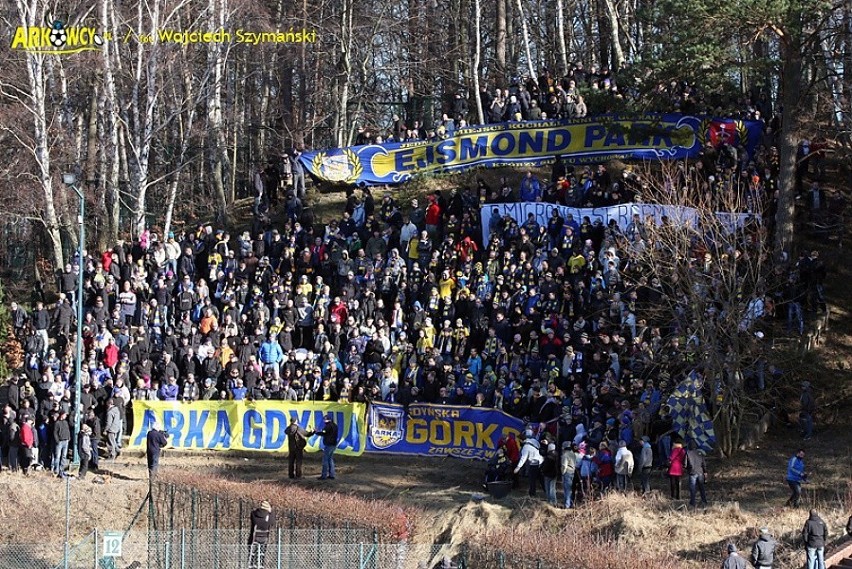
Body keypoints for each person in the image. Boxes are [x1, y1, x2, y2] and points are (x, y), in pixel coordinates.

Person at [513, 431, 543, 498]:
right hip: (540, 462)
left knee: (532, 480)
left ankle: (532, 494)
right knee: (542, 478)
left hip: (533, 464)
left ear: (522, 439)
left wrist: (518, 467)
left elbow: (523, 458)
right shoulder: (535, 441)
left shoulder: (525, 447)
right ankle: (546, 491)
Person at [311, 413, 339, 480]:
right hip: (333, 444)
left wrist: (316, 432)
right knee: (330, 459)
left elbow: (324, 433)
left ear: (328, 420)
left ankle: (324, 476)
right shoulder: (335, 425)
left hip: (329, 444)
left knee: (325, 460)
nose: (324, 421)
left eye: (324, 420)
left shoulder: (328, 426)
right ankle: (332, 475)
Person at [249, 500, 276, 569]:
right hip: (264, 539)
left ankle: (252, 564)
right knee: (262, 555)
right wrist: (271, 512)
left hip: (254, 539)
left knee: (252, 554)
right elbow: (272, 523)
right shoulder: (269, 516)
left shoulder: (253, 514)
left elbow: (253, 521)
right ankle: (261, 564)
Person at [685, 441, 708, 508]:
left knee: (692, 489)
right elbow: (704, 464)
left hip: (692, 472)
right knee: (702, 488)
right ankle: (704, 501)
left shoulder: (688, 453)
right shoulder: (700, 453)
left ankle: (693, 502)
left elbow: (685, 464)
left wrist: (687, 469)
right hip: (700, 472)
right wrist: (705, 472)